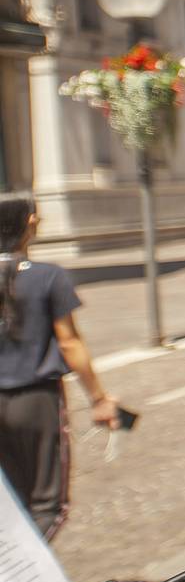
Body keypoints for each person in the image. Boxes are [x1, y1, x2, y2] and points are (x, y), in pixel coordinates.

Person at [0, 192, 120, 541]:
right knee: (47, 506)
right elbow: (69, 342)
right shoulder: (47, 277)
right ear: (30, 223)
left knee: (11, 503)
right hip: (36, 399)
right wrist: (98, 398)